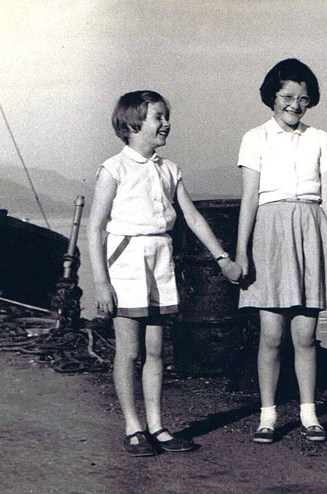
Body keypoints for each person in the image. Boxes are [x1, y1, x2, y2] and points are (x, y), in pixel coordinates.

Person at [88, 90, 242, 457]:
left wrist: (222, 258)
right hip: (126, 262)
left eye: (165, 116)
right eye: (158, 116)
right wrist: (101, 282)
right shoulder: (114, 169)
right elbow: (95, 228)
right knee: (129, 351)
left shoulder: (169, 169)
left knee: (156, 350)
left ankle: (157, 426)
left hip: (160, 259)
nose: (166, 123)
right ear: (132, 123)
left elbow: (191, 217)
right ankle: (133, 427)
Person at [235, 59, 327, 444]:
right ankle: (267, 416)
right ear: (272, 97)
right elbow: (249, 198)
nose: (295, 105)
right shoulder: (255, 138)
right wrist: (241, 253)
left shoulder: (321, 139)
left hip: (312, 230)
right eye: (287, 97)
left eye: (303, 98)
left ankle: (309, 414)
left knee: (306, 336)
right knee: (270, 335)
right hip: (269, 232)